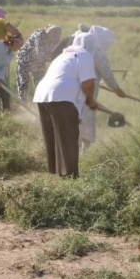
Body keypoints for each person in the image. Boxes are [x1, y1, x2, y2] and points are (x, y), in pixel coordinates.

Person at [32, 34, 98, 178]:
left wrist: (87, 100)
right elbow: (88, 83)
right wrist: (91, 100)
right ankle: (70, 177)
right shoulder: (84, 54)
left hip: (42, 96)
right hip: (61, 98)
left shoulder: (63, 56)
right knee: (68, 138)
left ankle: (55, 175)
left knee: (53, 137)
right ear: (89, 45)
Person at [75, 25, 126, 154]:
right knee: (87, 121)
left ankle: (74, 152)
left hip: (73, 91)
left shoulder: (79, 46)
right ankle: (84, 154)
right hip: (88, 94)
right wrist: (117, 89)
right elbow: (106, 72)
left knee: (75, 121)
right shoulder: (97, 50)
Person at [16, 25, 62, 101]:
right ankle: (22, 102)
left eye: (56, 35)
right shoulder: (39, 34)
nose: (54, 37)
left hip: (38, 62)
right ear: (49, 32)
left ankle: (40, 102)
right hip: (24, 58)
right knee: (23, 82)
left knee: (41, 83)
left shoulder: (56, 39)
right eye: (53, 34)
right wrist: (53, 59)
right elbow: (39, 52)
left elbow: (57, 52)